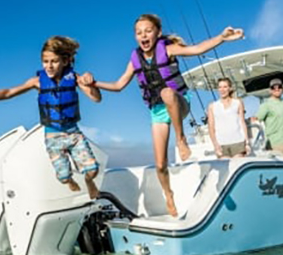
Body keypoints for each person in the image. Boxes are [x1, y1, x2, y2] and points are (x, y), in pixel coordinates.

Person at [90, 13, 244, 216]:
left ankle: (180, 139)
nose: (143, 35)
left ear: (157, 33)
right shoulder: (135, 59)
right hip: (158, 112)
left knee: (166, 92)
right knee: (161, 165)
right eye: (139, 33)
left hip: (179, 103)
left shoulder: (168, 49)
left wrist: (221, 38)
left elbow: (197, 49)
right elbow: (118, 85)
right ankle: (168, 194)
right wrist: (94, 84)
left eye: (148, 31)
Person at [0, 36, 102, 199]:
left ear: (66, 61)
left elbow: (96, 98)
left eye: (54, 61)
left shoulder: (75, 78)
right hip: (52, 136)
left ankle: (89, 182)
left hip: (73, 133)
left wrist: (89, 83)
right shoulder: (38, 82)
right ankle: (68, 181)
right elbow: (8, 93)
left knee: (93, 170)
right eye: (45, 61)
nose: (49, 66)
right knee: (63, 176)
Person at [207, 77, 250, 158]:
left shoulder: (238, 103)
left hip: (238, 143)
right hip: (222, 145)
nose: (222, 90)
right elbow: (211, 128)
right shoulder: (212, 106)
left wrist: (247, 142)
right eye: (220, 87)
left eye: (225, 87)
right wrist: (215, 145)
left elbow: (242, 122)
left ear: (230, 88)